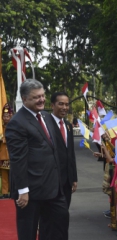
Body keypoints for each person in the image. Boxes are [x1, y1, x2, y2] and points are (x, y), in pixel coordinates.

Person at [5, 79, 69, 240]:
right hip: (31, 193)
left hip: (54, 189)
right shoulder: (16, 124)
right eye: (36, 97)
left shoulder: (47, 117)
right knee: (28, 232)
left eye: (42, 96)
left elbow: (56, 151)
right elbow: (18, 159)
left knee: (58, 228)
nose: (41, 100)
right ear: (24, 99)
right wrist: (23, 190)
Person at [49, 92, 78, 208]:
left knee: (64, 214)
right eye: (61, 104)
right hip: (51, 180)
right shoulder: (46, 125)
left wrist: (74, 178)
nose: (64, 108)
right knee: (51, 216)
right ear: (52, 105)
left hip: (67, 180)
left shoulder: (68, 126)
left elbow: (70, 153)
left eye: (67, 104)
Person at [0, 103, 13, 198]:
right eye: (4, 116)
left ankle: (12, 191)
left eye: (8, 116)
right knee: (4, 175)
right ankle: (4, 192)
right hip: (3, 155)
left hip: (12, 155)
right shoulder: (1, 128)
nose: (6, 118)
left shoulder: (14, 126)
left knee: (12, 175)